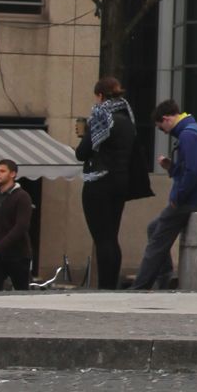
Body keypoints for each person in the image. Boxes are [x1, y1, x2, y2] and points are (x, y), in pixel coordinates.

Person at [131, 102, 197, 290]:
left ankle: (141, 286)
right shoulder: (196, 130)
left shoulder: (187, 135)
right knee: (154, 227)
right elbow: (192, 169)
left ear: (167, 119)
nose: (164, 132)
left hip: (190, 201)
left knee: (158, 240)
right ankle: (165, 276)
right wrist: (172, 167)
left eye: (162, 128)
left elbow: (193, 172)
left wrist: (178, 198)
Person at [76, 77, 143, 292]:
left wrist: (85, 134)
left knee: (102, 237)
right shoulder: (127, 117)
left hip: (99, 181)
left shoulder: (101, 115)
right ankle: (111, 284)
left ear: (101, 96)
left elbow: (82, 152)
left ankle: (104, 286)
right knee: (112, 236)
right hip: (121, 180)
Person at [0, 161, 34, 291]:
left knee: (21, 292)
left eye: (2, 171)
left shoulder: (22, 197)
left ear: (13, 174)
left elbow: (21, 226)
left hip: (18, 254)